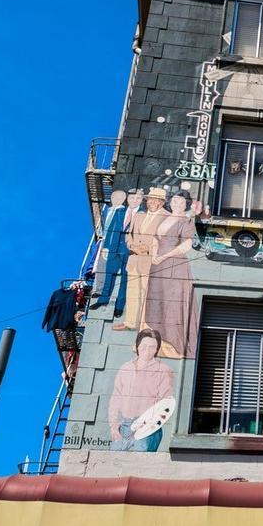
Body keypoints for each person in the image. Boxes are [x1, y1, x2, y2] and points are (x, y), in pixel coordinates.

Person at [144, 193, 197, 358]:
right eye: (174, 200)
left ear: (186, 204)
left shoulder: (186, 221)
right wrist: (154, 255)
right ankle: (158, 341)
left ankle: (175, 344)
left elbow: (187, 244)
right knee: (157, 300)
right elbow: (155, 239)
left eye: (181, 201)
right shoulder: (164, 218)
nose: (177, 204)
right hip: (157, 264)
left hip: (175, 264)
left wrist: (164, 256)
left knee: (172, 303)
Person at [108, 328, 173, 452]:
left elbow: (165, 404)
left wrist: (148, 424)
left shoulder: (164, 371)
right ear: (137, 346)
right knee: (112, 465)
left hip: (148, 429)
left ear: (156, 350)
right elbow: (116, 398)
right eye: (143, 346)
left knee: (138, 467)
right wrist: (113, 426)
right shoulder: (125, 368)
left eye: (152, 347)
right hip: (124, 427)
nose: (147, 351)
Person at [122, 188, 168, 332]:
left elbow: (167, 239)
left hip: (150, 262)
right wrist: (132, 246)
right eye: (149, 199)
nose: (151, 202)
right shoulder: (139, 215)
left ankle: (144, 325)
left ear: (161, 202)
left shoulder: (168, 217)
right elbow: (128, 234)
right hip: (134, 259)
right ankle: (130, 323)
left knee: (148, 294)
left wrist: (147, 248)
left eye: (155, 200)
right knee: (132, 292)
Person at [91, 190, 130, 318]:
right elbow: (110, 230)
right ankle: (103, 299)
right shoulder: (114, 211)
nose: (116, 199)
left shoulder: (132, 212)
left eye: (119, 197)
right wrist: (106, 246)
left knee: (125, 278)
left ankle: (119, 307)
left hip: (128, 249)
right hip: (113, 248)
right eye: (114, 197)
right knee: (109, 275)